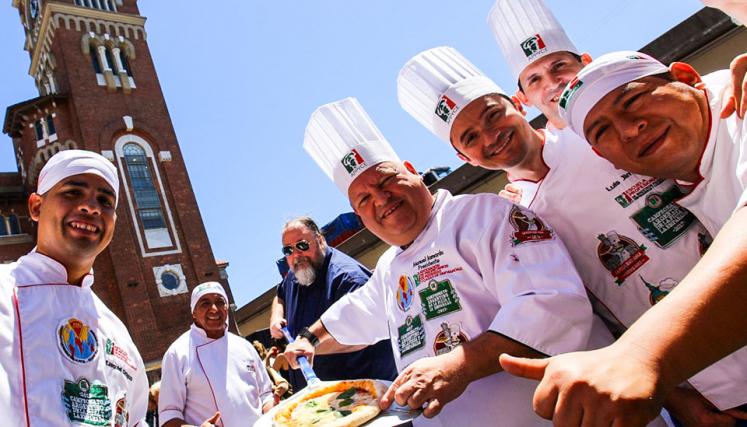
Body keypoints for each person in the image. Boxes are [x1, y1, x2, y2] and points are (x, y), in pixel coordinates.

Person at [397, 40, 747, 424]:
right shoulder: (511, 220)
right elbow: (596, 311)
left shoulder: (597, 134)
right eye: (471, 138)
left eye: (493, 115)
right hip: (698, 379)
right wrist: (674, 395)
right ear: (465, 158)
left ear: (518, 105)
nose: (490, 136)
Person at [284, 97, 598, 426]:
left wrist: (460, 364)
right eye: (364, 198)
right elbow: (355, 315)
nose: (381, 198)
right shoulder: (389, 267)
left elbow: (554, 304)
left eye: (386, 180)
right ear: (359, 216)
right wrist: (308, 339)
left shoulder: (484, 216)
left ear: (411, 170)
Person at [500, 50, 747, 426]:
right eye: (603, 131)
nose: (630, 129)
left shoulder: (737, 106)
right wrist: (671, 391)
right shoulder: (685, 175)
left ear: (686, 77)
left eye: (632, 101)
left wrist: (641, 357)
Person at [0, 149, 149, 425]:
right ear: (36, 206)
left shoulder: (119, 336)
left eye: (105, 201)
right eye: (73, 192)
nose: (91, 207)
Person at [269, 216, 397, 390]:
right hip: (319, 393)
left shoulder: (349, 279)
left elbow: (365, 335)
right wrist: (276, 317)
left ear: (320, 240)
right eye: (288, 250)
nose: (296, 255)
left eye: (302, 245)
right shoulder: (296, 272)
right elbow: (280, 295)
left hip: (363, 390)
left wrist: (308, 345)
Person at [159, 282, 274, 427]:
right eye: (205, 303)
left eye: (220, 302)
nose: (214, 309)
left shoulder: (244, 346)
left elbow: (265, 394)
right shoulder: (177, 353)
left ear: (226, 308)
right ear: (194, 313)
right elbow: (168, 414)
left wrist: (274, 412)